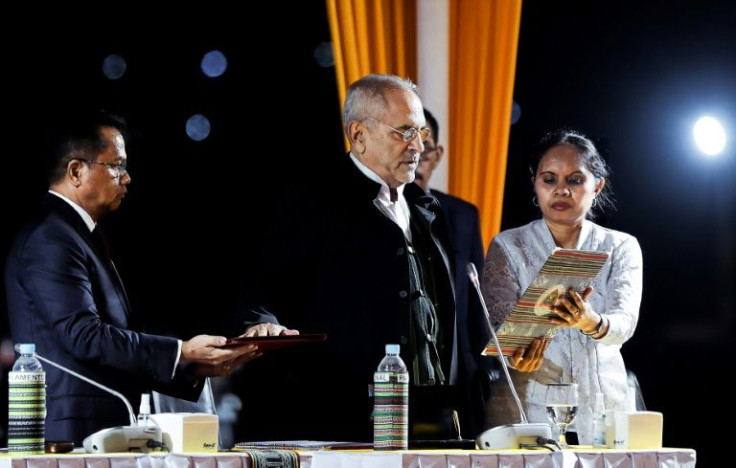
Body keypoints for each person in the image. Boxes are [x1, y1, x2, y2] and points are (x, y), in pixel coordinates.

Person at [4, 109, 293, 446]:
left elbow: (115, 341)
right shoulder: (51, 238)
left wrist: (197, 365)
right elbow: (83, 335)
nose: (126, 178)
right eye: (116, 166)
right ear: (76, 171)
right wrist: (182, 353)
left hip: (104, 426)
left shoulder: (79, 234)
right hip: (72, 435)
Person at [238, 74, 490, 442]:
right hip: (336, 419)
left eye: (420, 133)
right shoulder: (309, 204)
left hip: (427, 421)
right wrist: (262, 322)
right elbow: (260, 288)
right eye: (404, 132)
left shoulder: (425, 212)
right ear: (358, 136)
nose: (418, 146)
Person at [480, 129, 642, 444]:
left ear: (598, 185)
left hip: (604, 407)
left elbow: (625, 323)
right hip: (525, 410)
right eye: (549, 179)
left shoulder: (621, 246)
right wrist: (513, 355)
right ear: (535, 185)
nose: (561, 191)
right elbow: (497, 328)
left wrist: (590, 322)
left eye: (575, 180)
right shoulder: (509, 245)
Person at [414, 108, 491, 434]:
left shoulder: (463, 215)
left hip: (457, 386)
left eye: (425, 146)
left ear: (438, 155)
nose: (416, 154)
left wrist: (485, 372)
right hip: (394, 383)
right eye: (407, 140)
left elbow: (476, 302)